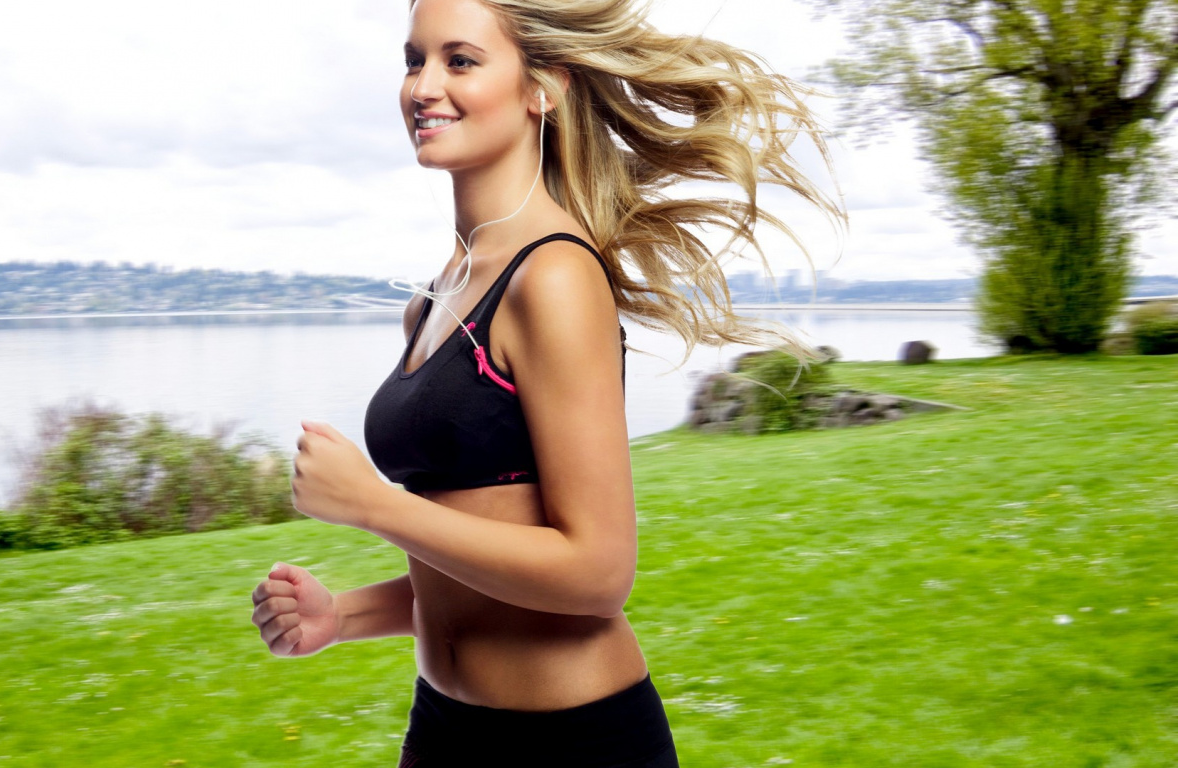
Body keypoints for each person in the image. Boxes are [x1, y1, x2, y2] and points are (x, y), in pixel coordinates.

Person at [250, 0, 843, 765]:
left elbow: (596, 572)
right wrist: (343, 615)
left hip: (575, 740)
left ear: (542, 90)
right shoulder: (433, 302)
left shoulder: (555, 277)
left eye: (460, 61)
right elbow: (475, 577)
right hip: (444, 731)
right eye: (413, 60)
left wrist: (374, 505)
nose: (424, 86)